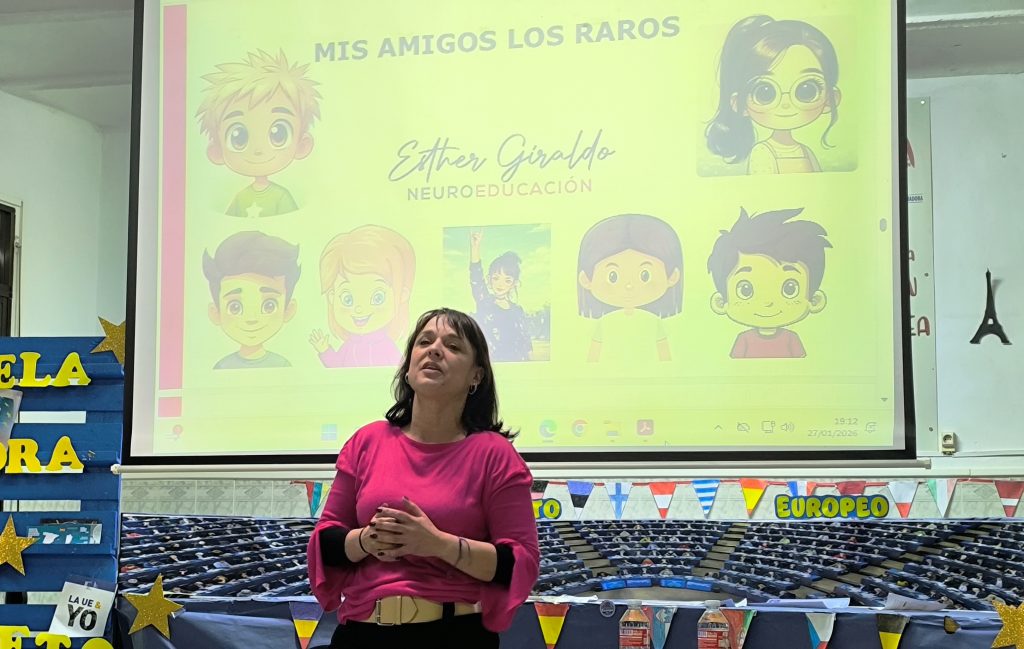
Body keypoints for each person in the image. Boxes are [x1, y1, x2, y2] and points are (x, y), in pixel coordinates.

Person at [307, 308, 540, 648]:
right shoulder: (366, 442)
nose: (434, 350)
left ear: (476, 376)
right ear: (408, 367)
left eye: (453, 346)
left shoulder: (495, 454)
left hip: (453, 635)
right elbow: (325, 543)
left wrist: (437, 544)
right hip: (361, 632)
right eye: (425, 342)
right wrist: (366, 541)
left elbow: (521, 563)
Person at [705, 15, 841, 174]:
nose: (786, 103)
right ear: (739, 104)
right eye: (764, 92)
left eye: (806, 90)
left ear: (830, 99)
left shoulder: (806, 151)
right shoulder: (762, 152)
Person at [707, 207, 831, 358]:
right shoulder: (744, 340)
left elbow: (803, 364)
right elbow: (734, 365)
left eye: (790, 289)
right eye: (745, 290)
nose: (768, 303)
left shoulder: (791, 339)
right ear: (721, 303)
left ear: (814, 300)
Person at [310, 225, 416, 367]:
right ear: (332, 297)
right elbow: (337, 367)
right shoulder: (349, 346)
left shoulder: (386, 347)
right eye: (347, 299)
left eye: (377, 298)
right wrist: (325, 350)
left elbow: (401, 371)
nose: (359, 309)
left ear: (402, 295)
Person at [201, 230, 300, 369]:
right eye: (235, 307)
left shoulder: (282, 365)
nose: (251, 319)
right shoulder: (222, 367)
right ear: (215, 313)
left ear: (288, 310)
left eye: (269, 305)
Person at [469, 231, 532, 362]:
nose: (500, 285)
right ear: (489, 279)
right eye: (496, 278)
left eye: (507, 280)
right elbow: (476, 277)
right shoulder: (485, 303)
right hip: (492, 367)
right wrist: (475, 247)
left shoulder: (518, 311)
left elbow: (526, 344)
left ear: (514, 283)